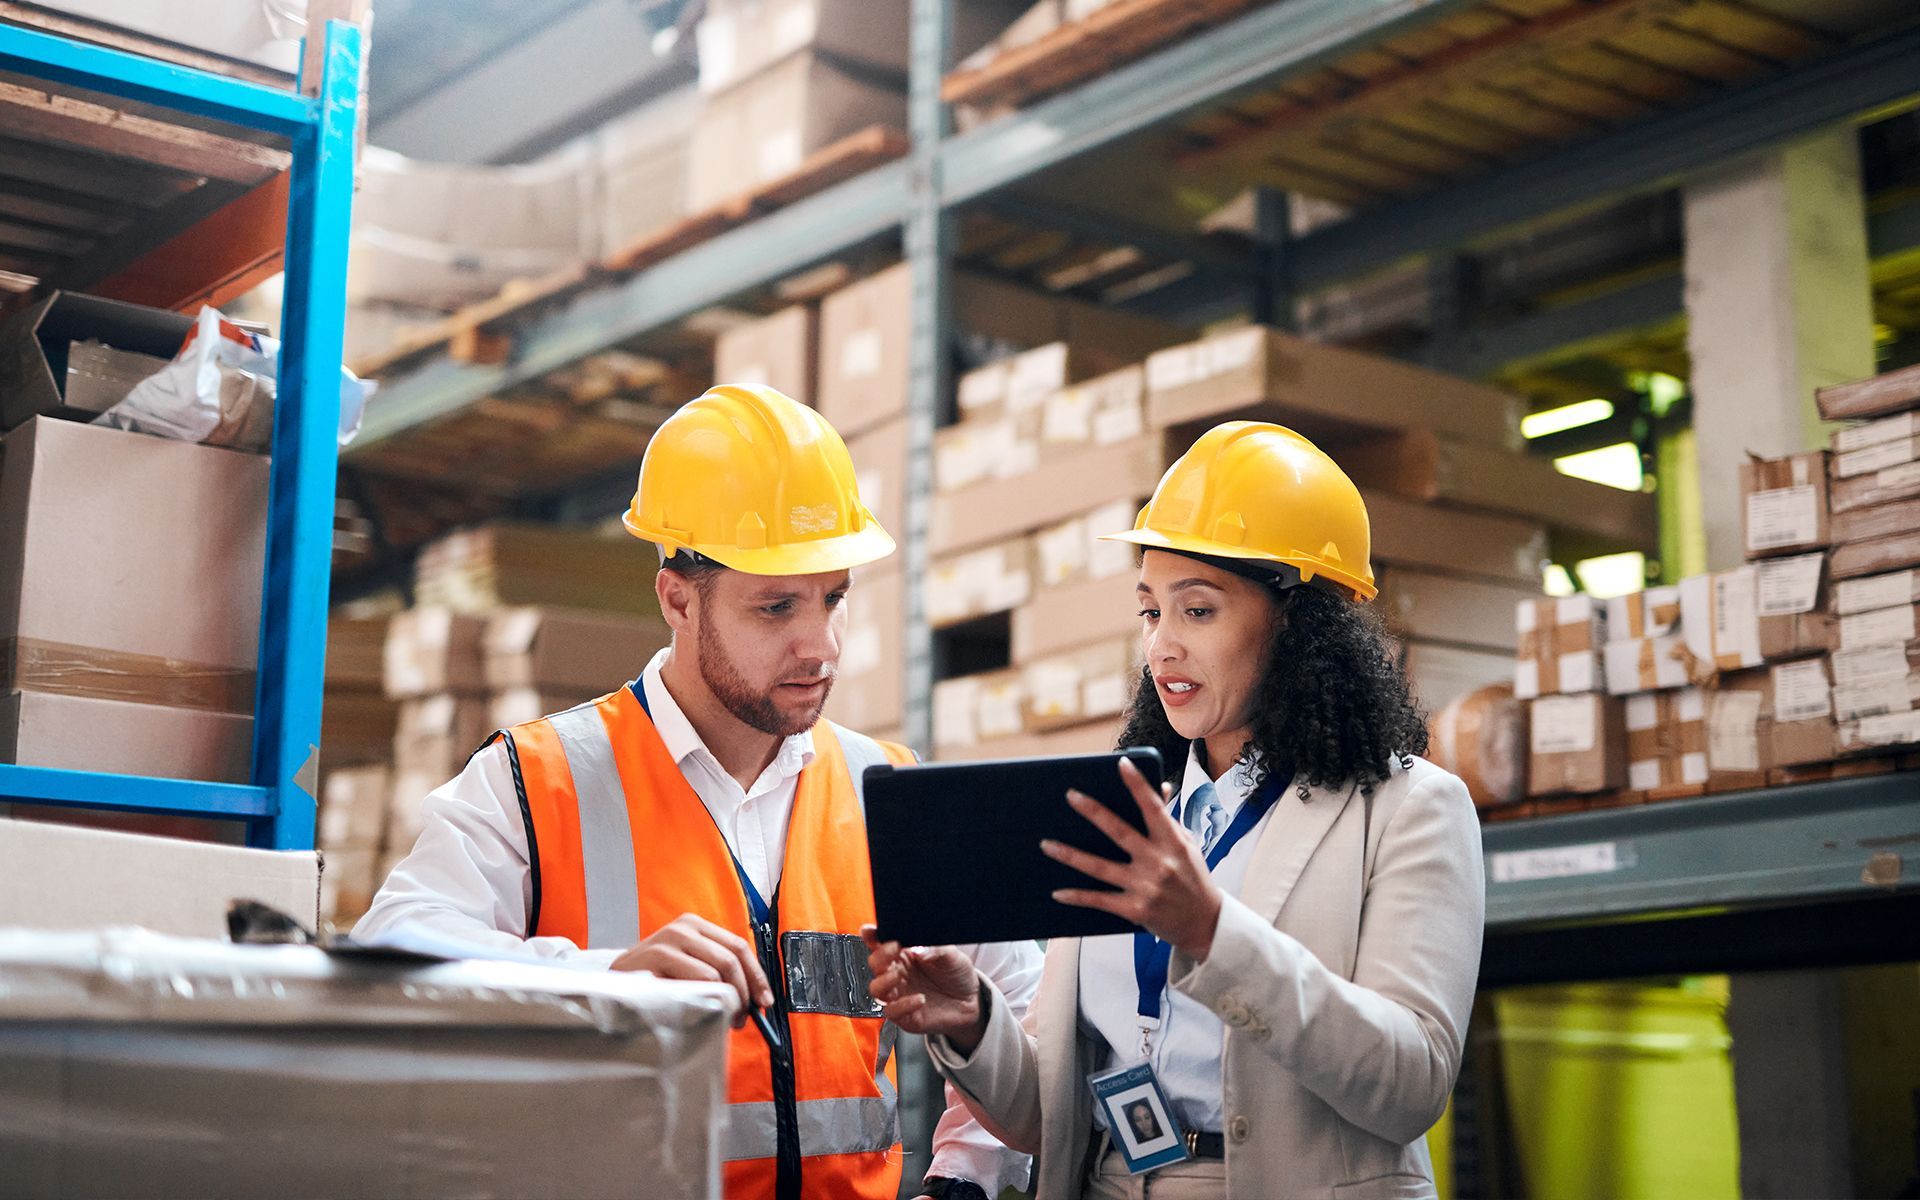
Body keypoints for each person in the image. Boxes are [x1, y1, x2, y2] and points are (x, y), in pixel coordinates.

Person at [359, 385, 1040, 1200]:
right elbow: (390, 961)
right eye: (777, 606)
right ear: (677, 599)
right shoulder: (537, 780)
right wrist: (603, 980)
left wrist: (967, 1179)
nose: (819, 645)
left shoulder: (889, 795)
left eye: (834, 599)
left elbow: (1028, 1027)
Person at [865, 421, 1486, 1200]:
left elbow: (1409, 1085)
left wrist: (1212, 933)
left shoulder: (1410, 810)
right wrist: (972, 1021)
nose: (1161, 647)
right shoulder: (1128, 811)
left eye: (1198, 611)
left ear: (1301, 623)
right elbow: (1045, 1119)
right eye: (1151, 612)